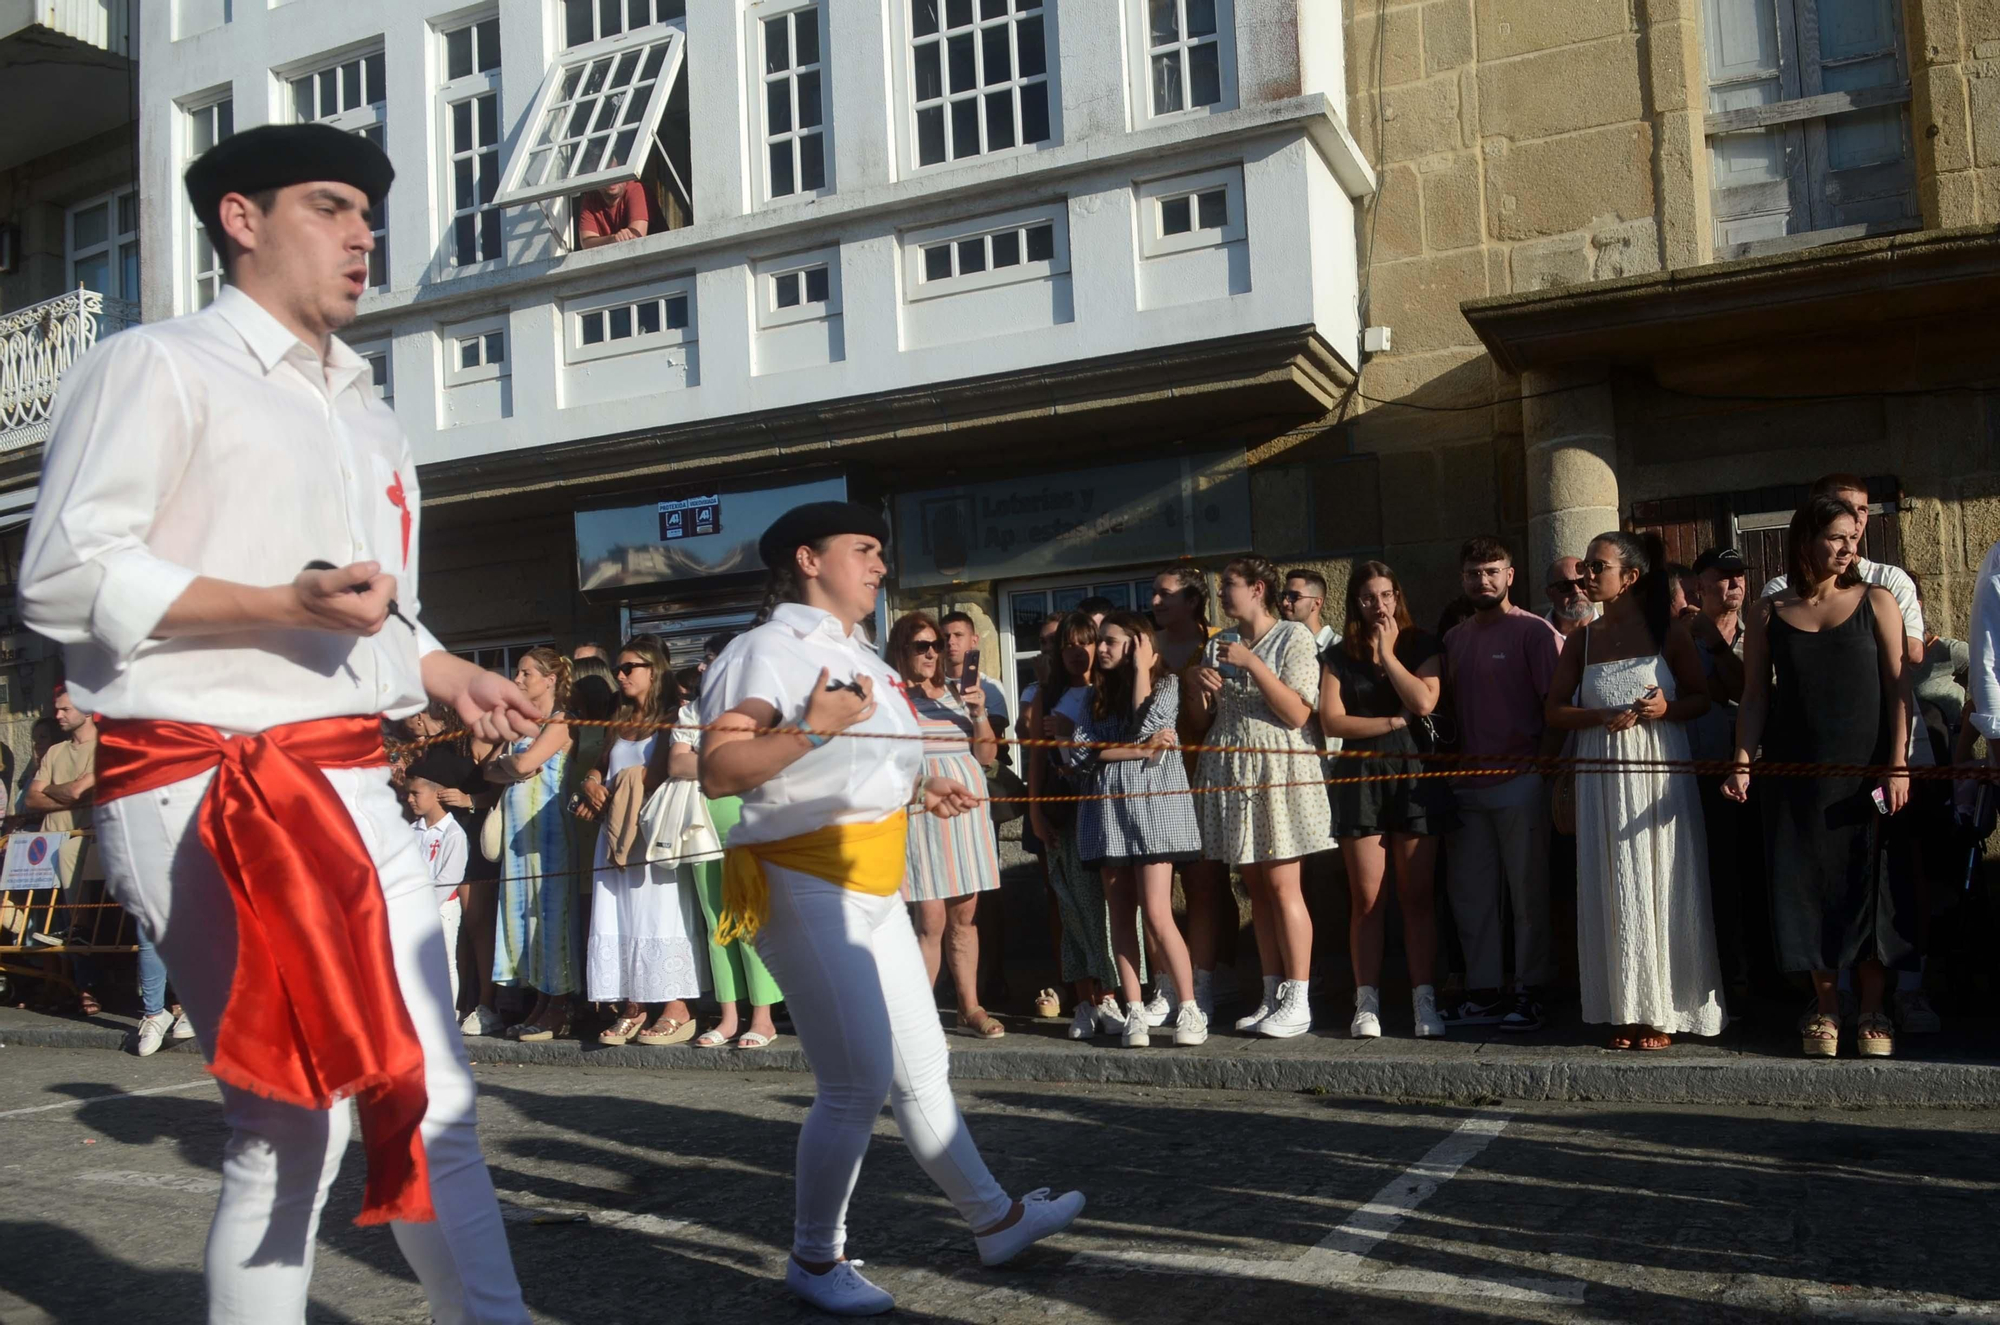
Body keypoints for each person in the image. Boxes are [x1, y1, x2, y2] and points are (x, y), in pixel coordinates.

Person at [18, 122, 536, 1321]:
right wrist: (275, 601)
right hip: (202, 778)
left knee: (432, 1090)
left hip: (356, 775)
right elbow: (58, 575)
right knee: (286, 1120)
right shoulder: (158, 364)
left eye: (369, 214)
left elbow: (371, 608)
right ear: (238, 221)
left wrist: (444, 666)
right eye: (329, 206)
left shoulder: (366, 406)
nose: (363, 235)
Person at [699, 501, 1083, 1315]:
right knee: (856, 1080)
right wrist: (811, 724)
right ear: (809, 558)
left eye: (879, 552)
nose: (878, 565)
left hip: (875, 878)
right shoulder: (765, 649)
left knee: (922, 1067)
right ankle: (813, 1256)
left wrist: (919, 783)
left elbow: (863, 756)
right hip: (805, 881)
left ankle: (995, 1218)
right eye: (863, 549)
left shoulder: (857, 651)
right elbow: (722, 767)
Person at [1726, 494, 1913, 1058]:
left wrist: (1899, 761)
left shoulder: (1876, 601)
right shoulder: (1767, 613)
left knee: (1874, 882)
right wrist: (1742, 757)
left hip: (1871, 774)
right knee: (1808, 887)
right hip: (1796, 776)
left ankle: (1874, 1009)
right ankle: (1827, 1008)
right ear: (1806, 541)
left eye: (1852, 538)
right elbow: (1756, 695)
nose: (1847, 546)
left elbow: (1899, 688)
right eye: (1835, 536)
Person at [1546, 533, 1727, 1049]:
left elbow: (1700, 698)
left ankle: (1665, 1009)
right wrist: (1599, 715)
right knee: (1612, 884)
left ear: (1629, 577)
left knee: (1661, 880)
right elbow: (1555, 710)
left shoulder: (1667, 634)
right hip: (1601, 779)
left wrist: (1666, 709)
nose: (1585, 575)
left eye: (1597, 566)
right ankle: (1623, 1009)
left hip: (1657, 777)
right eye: (1584, 566)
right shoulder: (1581, 639)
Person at [1191, 555, 1331, 1038]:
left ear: (1256, 588)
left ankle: (1299, 996)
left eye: (1228, 584)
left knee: (1283, 886)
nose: (1221, 593)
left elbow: (1297, 713)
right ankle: (1272, 994)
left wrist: (1252, 663)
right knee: (1254, 888)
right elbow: (1206, 717)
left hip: (1278, 768)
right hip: (1232, 767)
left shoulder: (1293, 636)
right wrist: (1202, 689)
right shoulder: (1218, 643)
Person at [1317, 562, 1452, 1039]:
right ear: (1356, 602)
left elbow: (1423, 703)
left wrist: (1388, 655)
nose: (1379, 605)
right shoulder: (1337, 656)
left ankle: (1424, 1002)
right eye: (1369, 597)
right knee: (1367, 900)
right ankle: (1366, 1003)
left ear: (1399, 597)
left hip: (1413, 776)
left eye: (1387, 595)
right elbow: (1332, 721)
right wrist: (1389, 724)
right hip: (1360, 779)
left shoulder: (1421, 643)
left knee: (1416, 898)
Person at [1063, 611, 1207, 1046]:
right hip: (1108, 817)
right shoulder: (1094, 698)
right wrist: (1137, 751)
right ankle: (1135, 1011)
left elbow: (1150, 726)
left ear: (1138, 644)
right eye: (1099, 641)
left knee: (1158, 912)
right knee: (1120, 915)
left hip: (1153, 815)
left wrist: (1143, 671)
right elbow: (1082, 756)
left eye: (1110, 641)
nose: (1100, 649)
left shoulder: (1167, 684)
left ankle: (1189, 1008)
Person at [1439, 536, 1563, 1033]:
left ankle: (1530, 991)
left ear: (1511, 576)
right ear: (1462, 578)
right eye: (1473, 572)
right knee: (1471, 896)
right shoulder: (1453, 639)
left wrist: (1544, 771)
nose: (1482, 580)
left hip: (1521, 779)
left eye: (1492, 571)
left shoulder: (1534, 633)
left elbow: (1555, 709)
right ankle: (1484, 991)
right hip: (1466, 785)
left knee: (1528, 894)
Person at [576, 637, 709, 1046]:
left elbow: (657, 774)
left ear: (654, 670)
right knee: (620, 917)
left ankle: (676, 1006)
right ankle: (634, 1004)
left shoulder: (673, 717)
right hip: (615, 834)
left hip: (651, 833)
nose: (620, 674)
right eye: (619, 667)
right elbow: (603, 764)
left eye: (629, 667)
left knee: (659, 913)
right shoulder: (619, 717)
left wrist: (615, 786)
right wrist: (591, 781)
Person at [888, 612, 1007, 1039]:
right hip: (924, 810)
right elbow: (885, 763)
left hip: (966, 812)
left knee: (965, 916)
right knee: (930, 920)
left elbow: (988, 756)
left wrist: (978, 713)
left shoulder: (960, 692)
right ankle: (920, 1015)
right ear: (902, 650)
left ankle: (969, 1007)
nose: (932, 653)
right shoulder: (894, 698)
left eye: (936, 644)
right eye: (921, 646)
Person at [1029, 611, 1129, 1038]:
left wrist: (1074, 733)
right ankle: (1086, 999)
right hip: (1061, 813)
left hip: (1103, 810)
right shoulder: (1044, 697)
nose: (1076, 652)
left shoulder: (1108, 693)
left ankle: (1112, 995)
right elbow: (1034, 759)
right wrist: (1035, 813)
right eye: (1066, 644)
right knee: (1071, 905)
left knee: (1107, 907)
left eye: (1084, 642)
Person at [679, 667, 782, 1050]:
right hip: (699, 824)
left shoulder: (757, 710)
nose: (709, 670)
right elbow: (676, 762)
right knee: (715, 921)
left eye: (717, 661)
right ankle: (728, 1017)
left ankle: (763, 1017)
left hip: (747, 823)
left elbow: (762, 765)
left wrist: (705, 758)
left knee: (749, 919)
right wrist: (725, 761)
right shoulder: (692, 711)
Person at [485, 646, 581, 1042]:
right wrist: (512, 768)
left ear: (550, 679)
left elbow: (523, 766)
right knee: (523, 914)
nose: (519, 680)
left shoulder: (562, 721)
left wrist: (513, 768)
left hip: (548, 833)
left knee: (550, 913)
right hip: (516, 835)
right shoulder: (525, 722)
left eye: (526, 673)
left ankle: (559, 1002)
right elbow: (489, 769)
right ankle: (539, 999)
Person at [1685, 546, 1766, 999]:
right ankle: (1724, 978)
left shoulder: (1759, 631)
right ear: (1699, 585)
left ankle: (1761, 976)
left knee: (1754, 875)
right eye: (1723, 576)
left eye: (1739, 575)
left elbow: (1750, 690)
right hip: (1702, 773)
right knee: (1715, 878)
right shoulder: (1680, 637)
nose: (1734, 584)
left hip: (1754, 773)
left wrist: (1717, 652)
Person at [1148, 566, 1227, 1018]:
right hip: (1150, 780)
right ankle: (1163, 984)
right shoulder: (1145, 645)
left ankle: (1202, 982)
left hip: (1201, 776)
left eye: (1165, 594)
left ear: (1193, 601)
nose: (1155, 601)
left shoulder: (1215, 642)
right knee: (1153, 893)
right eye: (1154, 594)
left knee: (1203, 887)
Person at [404, 700, 505, 1032]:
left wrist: (470, 800)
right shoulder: (446, 743)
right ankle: (460, 1001)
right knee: (456, 928)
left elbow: (499, 790)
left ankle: (487, 1003)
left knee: (477, 922)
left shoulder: (492, 738)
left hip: (474, 831)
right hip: (446, 830)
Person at [22, 685, 106, 1008]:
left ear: (87, 712)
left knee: (78, 927)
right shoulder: (56, 751)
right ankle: (51, 984)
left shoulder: (104, 747)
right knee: (42, 923)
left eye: (64, 710)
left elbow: (76, 794)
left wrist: (52, 793)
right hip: (46, 848)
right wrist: (66, 791)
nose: (57, 715)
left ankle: (87, 988)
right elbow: (32, 797)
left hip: (83, 846)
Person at [405, 774, 470, 1009]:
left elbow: (451, 876)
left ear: (437, 794)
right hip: (411, 909)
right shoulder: (411, 831)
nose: (409, 799)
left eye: (416, 793)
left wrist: (425, 906)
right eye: (408, 793)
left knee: (444, 962)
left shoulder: (453, 833)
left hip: (441, 908)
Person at [577, 178, 661, 249]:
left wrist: (610, 241)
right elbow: (587, 242)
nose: (611, 179)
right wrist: (613, 239)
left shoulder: (636, 188)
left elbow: (636, 237)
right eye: (606, 173)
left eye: (615, 172)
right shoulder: (591, 199)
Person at [1282, 569, 1337, 653]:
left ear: (1316, 603)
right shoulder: (1277, 642)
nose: (1285, 602)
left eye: (1294, 596)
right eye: (1283, 596)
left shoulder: (1336, 647)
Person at [1542, 556, 1594, 641]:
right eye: (1565, 585)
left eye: (1582, 582)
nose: (1577, 590)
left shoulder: (1614, 633)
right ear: (1550, 593)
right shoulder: (1535, 638)